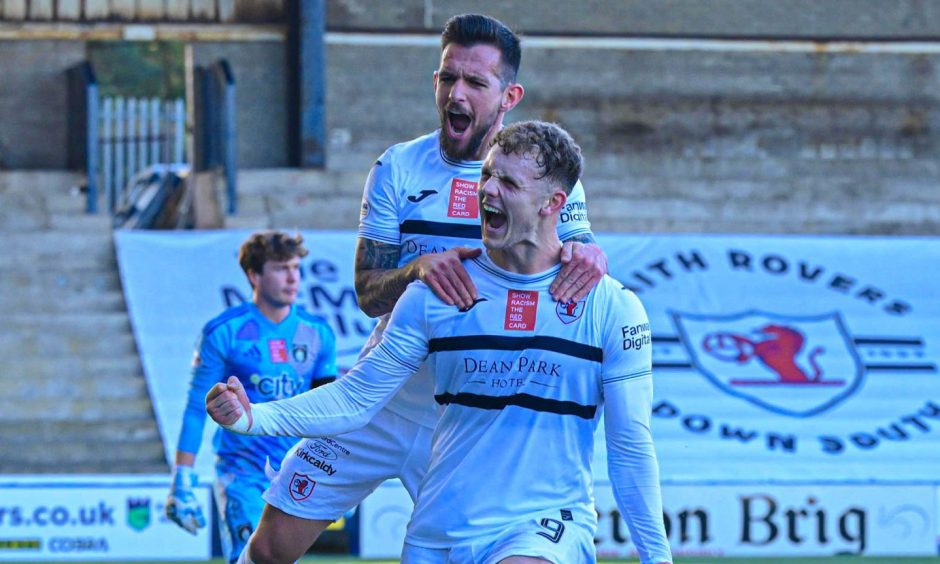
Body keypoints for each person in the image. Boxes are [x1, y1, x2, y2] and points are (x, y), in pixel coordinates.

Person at [209, 121, 672, 564]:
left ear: (553, 203)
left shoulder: (611, 306)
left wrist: (658, 557)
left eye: (506, 183)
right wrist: (254, 417)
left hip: (544, 523)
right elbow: (358, 396)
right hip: (440, 520)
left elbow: (631, 444)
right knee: (269, 549)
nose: (486, 189)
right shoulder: (437, 290)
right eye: (487, 175)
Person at [235, 14, 608, 563]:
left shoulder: (543, 177)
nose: (456, 93)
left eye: (475, 83)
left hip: (466, 422)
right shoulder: (398, 168)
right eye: (447, 78)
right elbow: (366, 293)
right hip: (379, 403)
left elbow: (576, 261)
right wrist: (417, 270)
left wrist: (592, 255)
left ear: (510, 96)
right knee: (269, 550)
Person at [164, 231, 337, 563]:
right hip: (241, 472)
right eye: (280, 268)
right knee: (250, 557)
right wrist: (182, 478)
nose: (292, 277)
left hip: (294, 470)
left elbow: (325, 411)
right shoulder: (223, 331)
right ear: (254, 275)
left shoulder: (318, 334)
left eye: (296, 267)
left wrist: (338, 468)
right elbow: (195, 407)